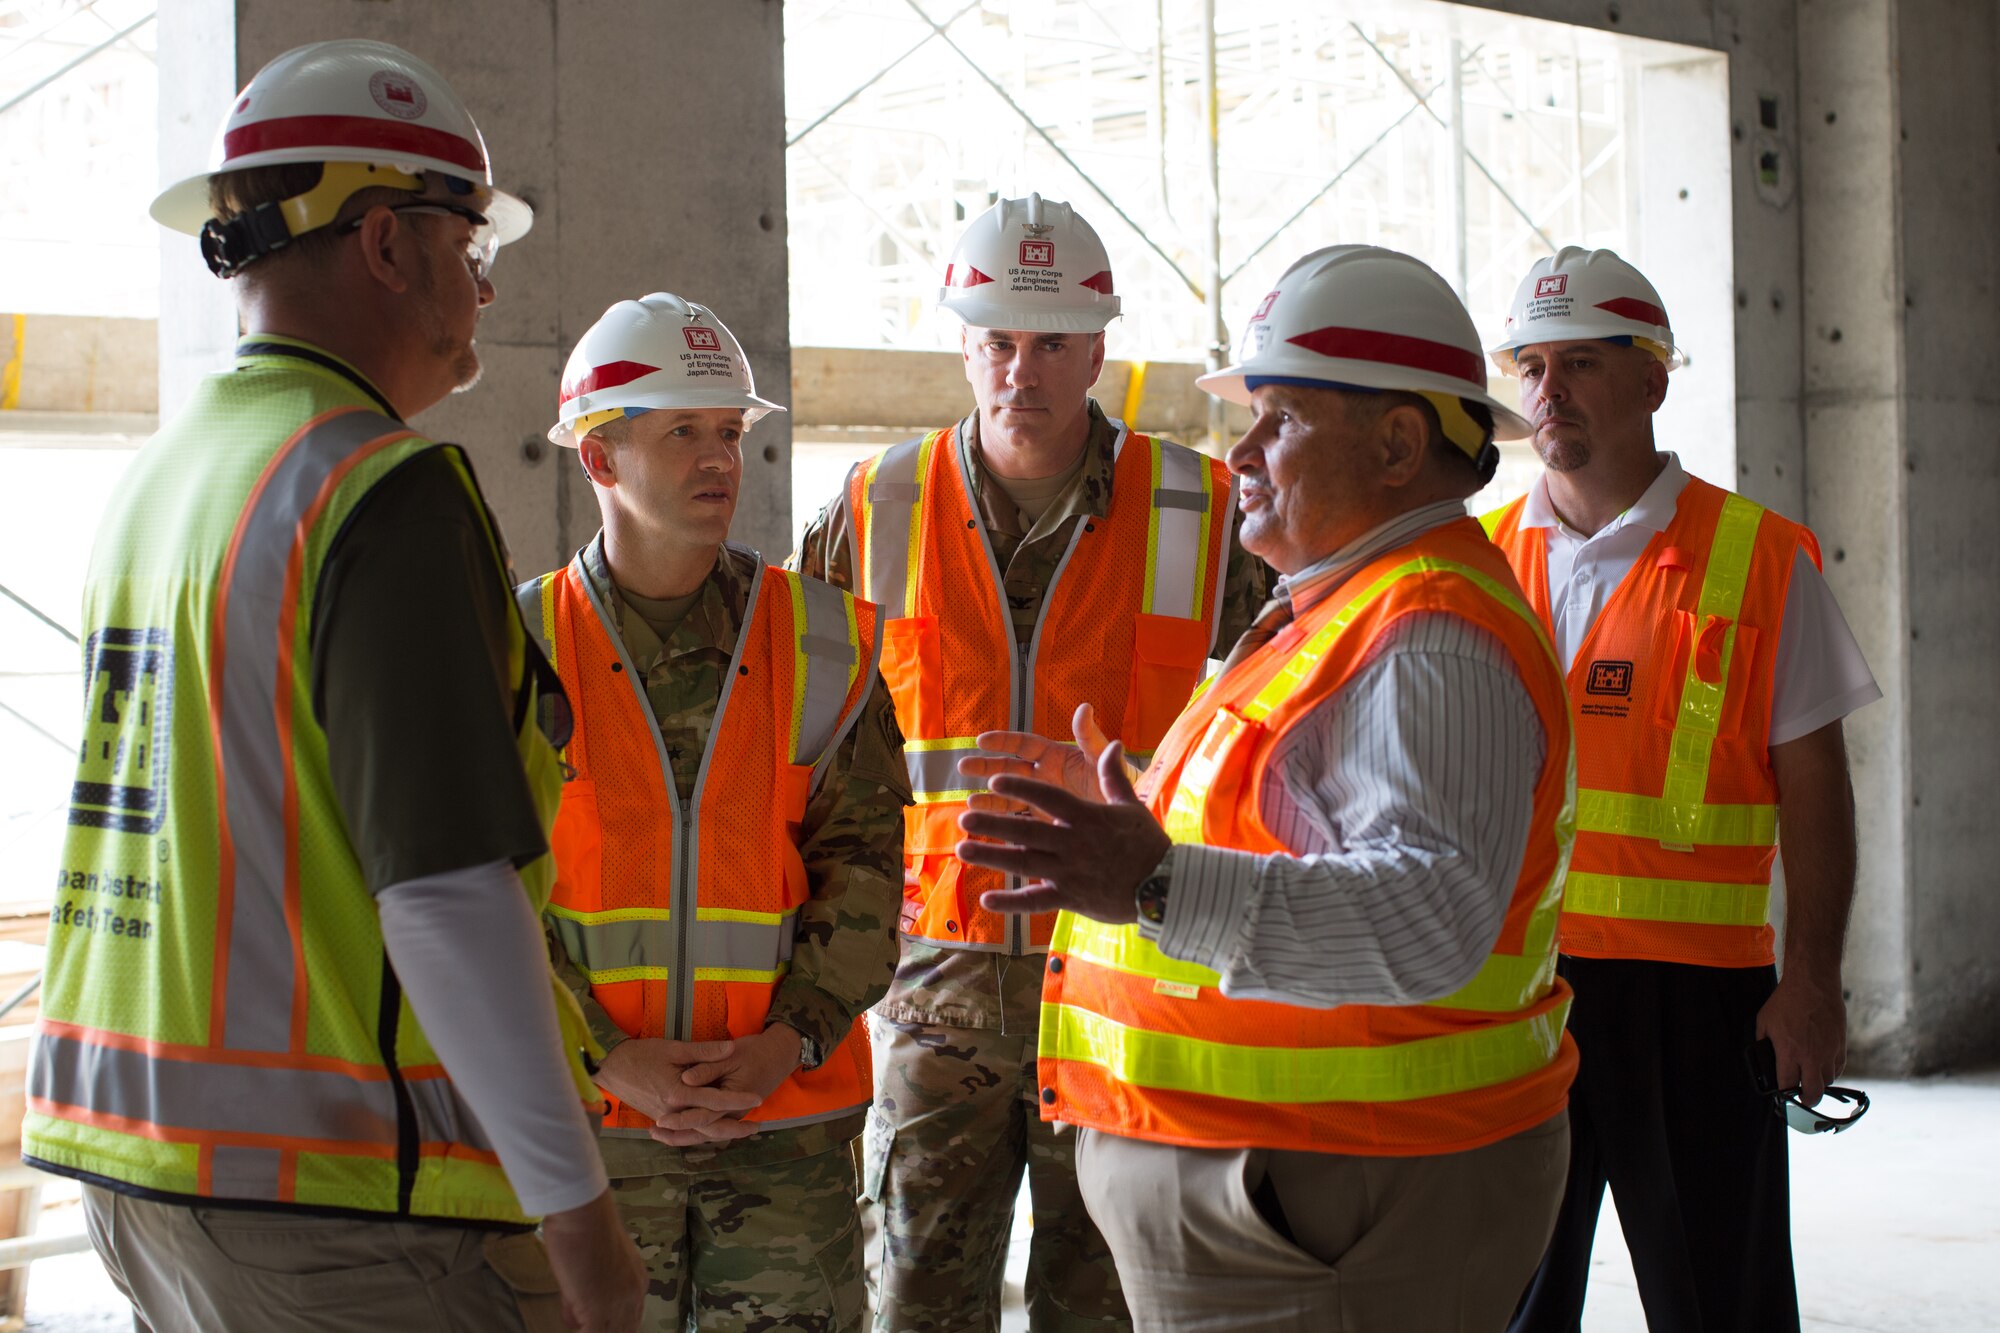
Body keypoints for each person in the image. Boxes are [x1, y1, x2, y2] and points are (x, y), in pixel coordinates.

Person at [25, 39, 645, 1333]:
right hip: (343, 1204)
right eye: (470, 247)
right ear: (382, 244)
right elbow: (444, 894)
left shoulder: (163, 479)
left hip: (142, 1172)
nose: (480, 289)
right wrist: (583, 1221)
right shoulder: (374, 487)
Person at [954, 244, 1579, 1332]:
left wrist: (1149, 880)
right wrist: (1138, 813)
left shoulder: (1425, 634)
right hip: (1297, 1197)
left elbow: (1431, 913)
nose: (1238, 452)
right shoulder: (1338, 606)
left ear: (1396, 444)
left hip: (1333, 1208)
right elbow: (1304, 830)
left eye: (1277, 419)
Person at [791, 192, 1269, 1332]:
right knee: (916, 1302)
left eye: (1051, 342)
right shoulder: (872, 506)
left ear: (1099, 344)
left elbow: (1291, 713)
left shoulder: (1196, 508)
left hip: (1123, 977)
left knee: (1103, 1303)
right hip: (932, 994)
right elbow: (792, 746)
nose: (1023, 371)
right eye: (997, 341)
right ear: (962, 342)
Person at [1483, 247, 1879, 1333]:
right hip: (1510, 994)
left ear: (1651, 378)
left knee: (1723, 1303)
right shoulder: (1471, 561)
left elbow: (1812, 784)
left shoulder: (1755, 558)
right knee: (1502, 1301)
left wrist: (1810, 980)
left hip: (1695, 1001)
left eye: (1577, 363)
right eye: (1529, 365)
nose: (1545, 390)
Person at [525, 292, 908, 1331]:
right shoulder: (513, 647)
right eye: (681, 431)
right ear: (599, 460)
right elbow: (479, 893)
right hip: (586, 1132)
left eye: (729, 432)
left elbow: (867, 868)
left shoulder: (822, 641)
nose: (718, 460)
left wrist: (788, 1041)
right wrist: (605, 1054)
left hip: (782, 1130)